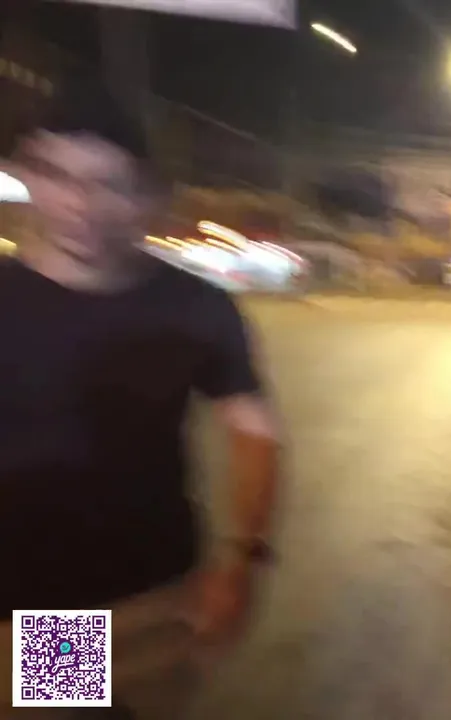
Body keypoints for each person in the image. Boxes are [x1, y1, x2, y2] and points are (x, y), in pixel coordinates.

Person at [0, 81, 282, 718]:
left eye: (109, 184)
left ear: (145, 193)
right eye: (59, 177)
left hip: (158, 594)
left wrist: (242, 559)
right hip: (45, 609)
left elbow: (256, 431)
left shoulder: (195, 307)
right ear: (26, 174)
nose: (81, 204)